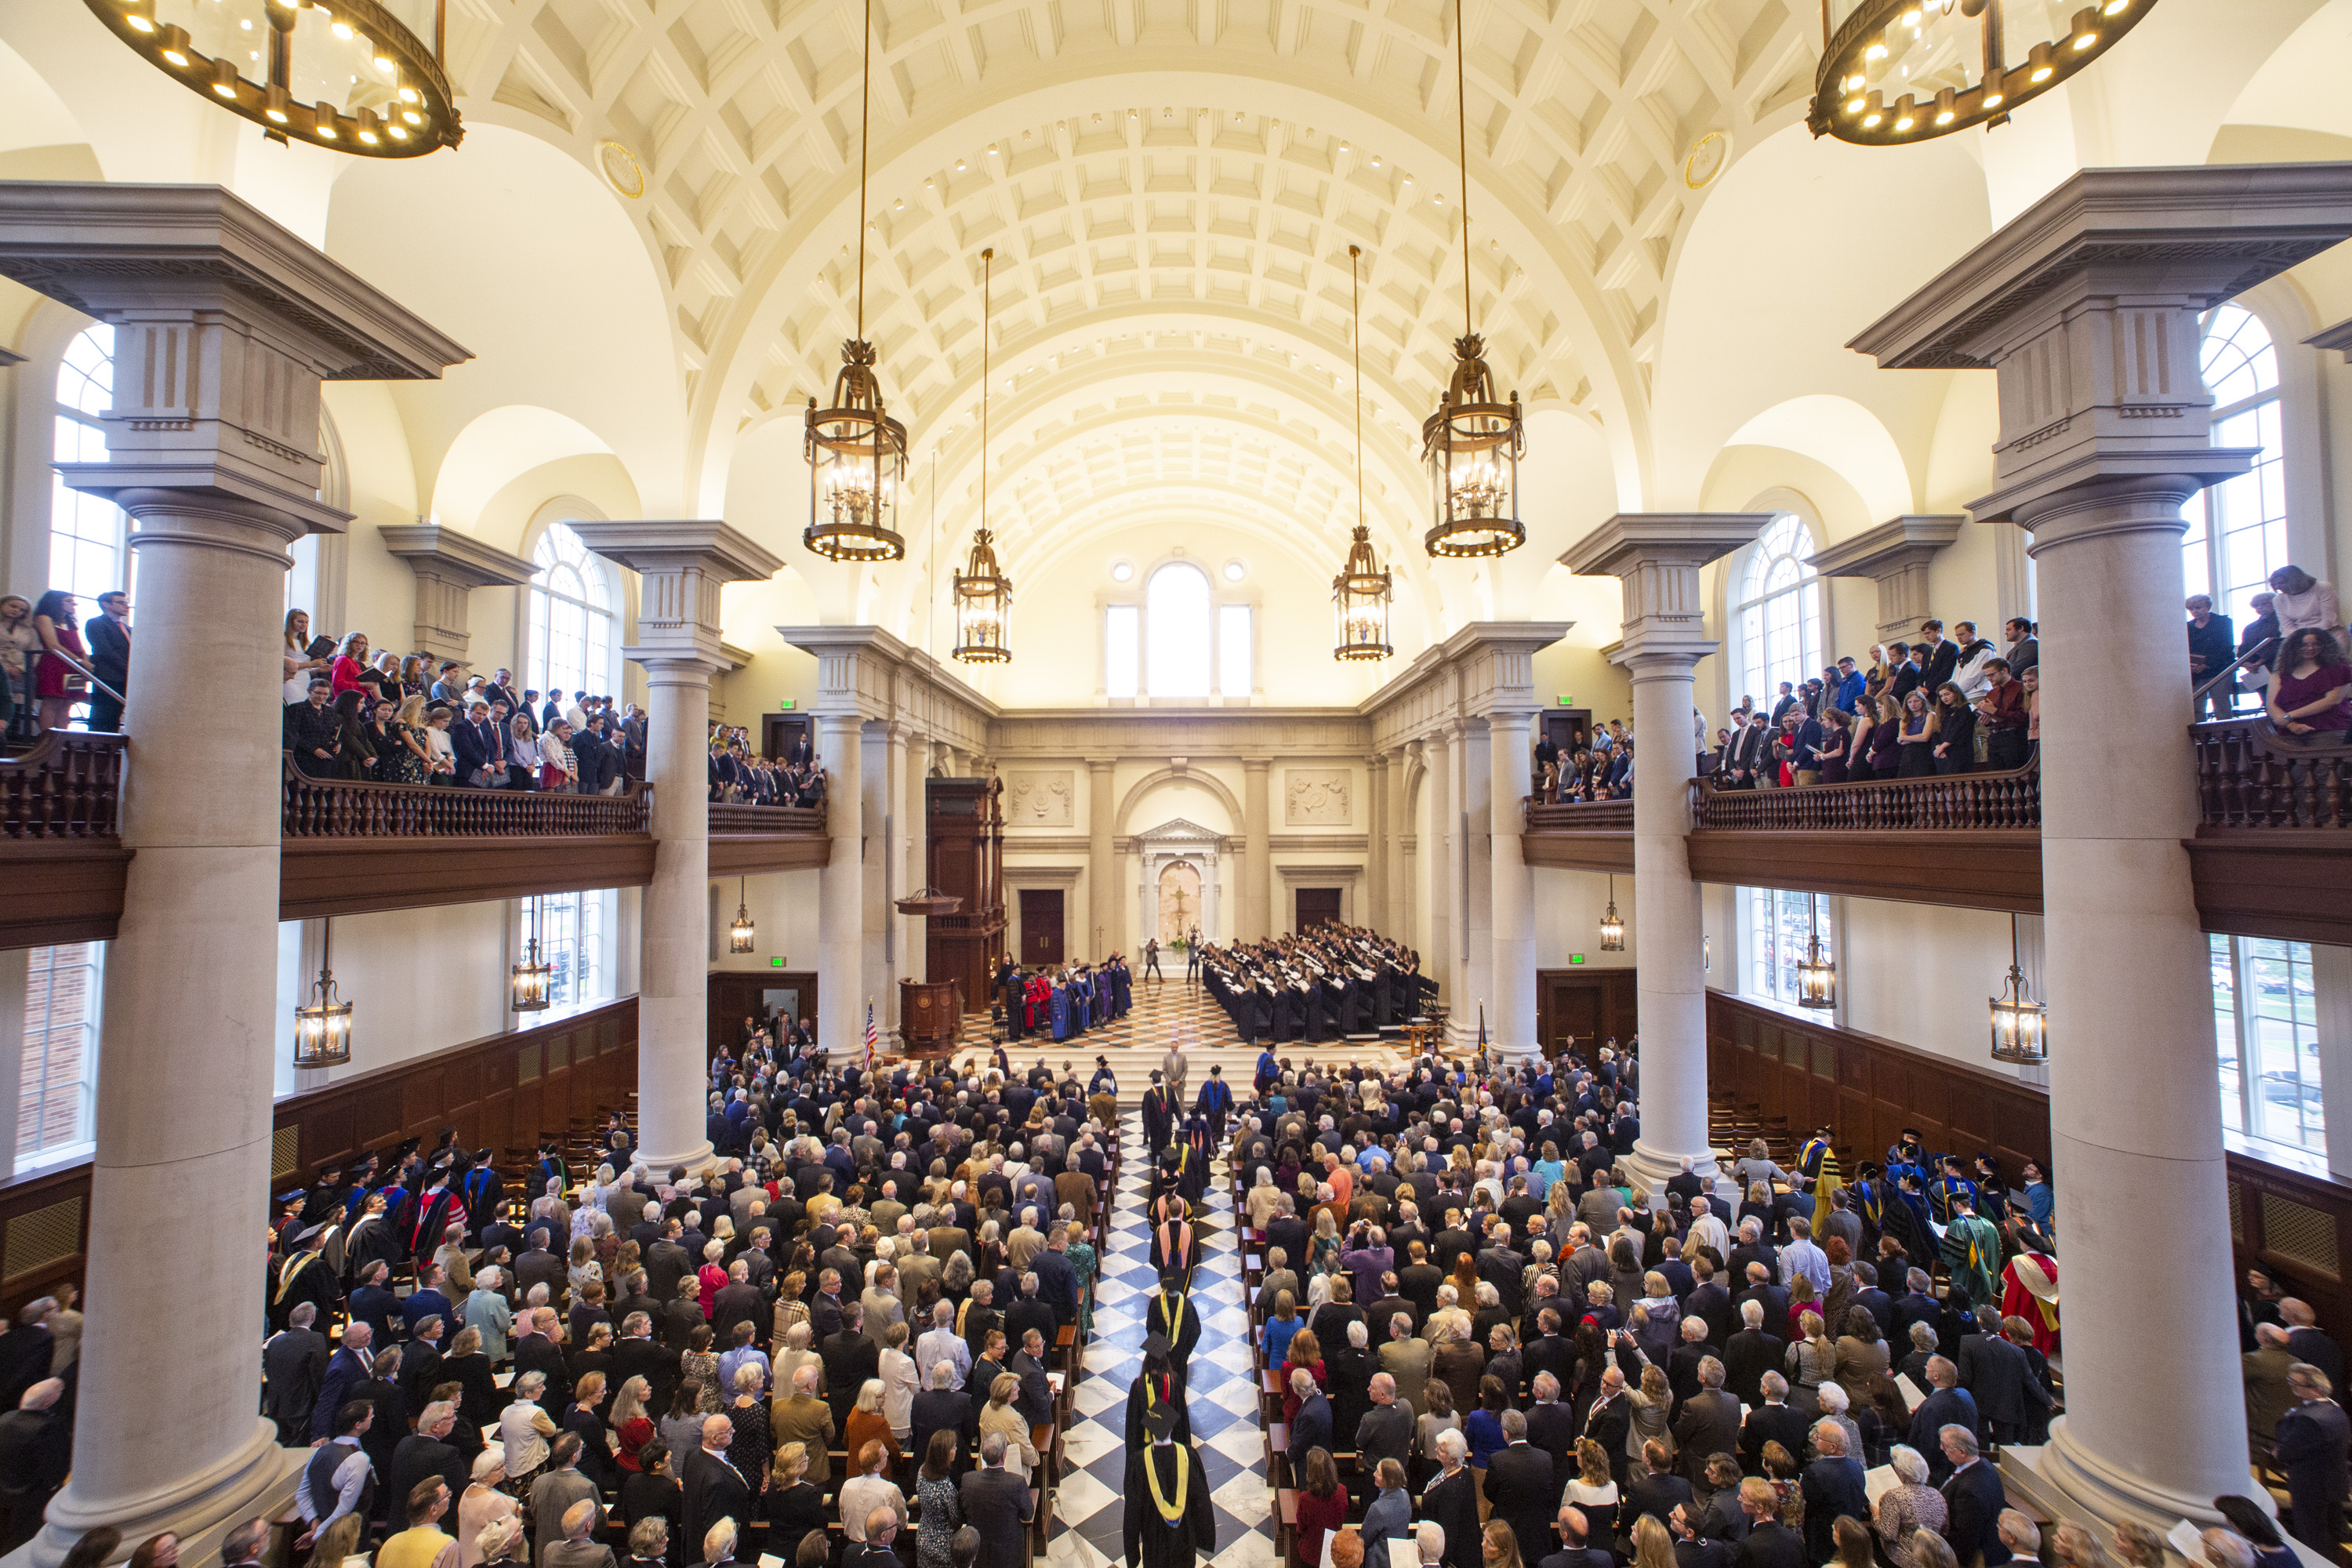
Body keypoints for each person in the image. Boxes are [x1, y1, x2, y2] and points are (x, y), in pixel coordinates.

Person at [2270, 1363, 2350, 1558]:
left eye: (2297, 1384)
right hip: (2334, 1483)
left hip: (2310, 1487)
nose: (2292, 1387)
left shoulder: (2308, 1420)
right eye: (2291, 1381)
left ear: (2317, 1389)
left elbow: (2285, 1453)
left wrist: (2279, 1452)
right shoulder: (2337, 1410)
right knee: (2333, 1532)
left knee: (2313, 1540)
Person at [1936, 1425, 2009, 1568]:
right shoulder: (1984, 1464)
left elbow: (1964, 1540)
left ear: (1962, 1452)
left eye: (1945, 1445)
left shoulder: (1969, 1492)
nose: (1941, 1448)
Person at [960, 1432, 1036, 1568]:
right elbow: (1028, 1514)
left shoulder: (968, 1480)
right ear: (1003, 1455)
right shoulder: (1016, 1483)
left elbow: (963, 1513)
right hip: (1008, 1555)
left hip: (978, 1553)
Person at [2265, 628, 2350, 739]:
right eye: (2304, 645)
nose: (2310, 648)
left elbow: (2333, 700)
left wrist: (2289, 716)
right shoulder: (2279, 674)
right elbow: (2272, 706)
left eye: (2316, 644)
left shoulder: (2339, 668)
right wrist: (2291, 724)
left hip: (2329, 730)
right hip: (2290, 733)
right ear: (2294, 647)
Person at [30, 592, 89, 731]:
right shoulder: (44, 618)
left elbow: (79, 646)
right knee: (52, 702)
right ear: (56, 602)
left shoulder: (70, 622)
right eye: (68, 601)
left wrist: (85, 663)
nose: (72, 604)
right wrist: (79, 661)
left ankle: (61, 740)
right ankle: (47, 740)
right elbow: (53, 645)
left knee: (66, 704)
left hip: (73, 666)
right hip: (55, 663)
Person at [84, 589, 129, 731]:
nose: (126, 605)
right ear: (106, 604)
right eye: (121, 603)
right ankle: (96, 748)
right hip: (108, 676)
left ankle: (111, 748)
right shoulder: (96, 623)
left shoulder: (127, 628)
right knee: (102, 715)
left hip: (124, 678)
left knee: (116, 714)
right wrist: (127, 668)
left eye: (126, 602)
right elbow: (105, 650)